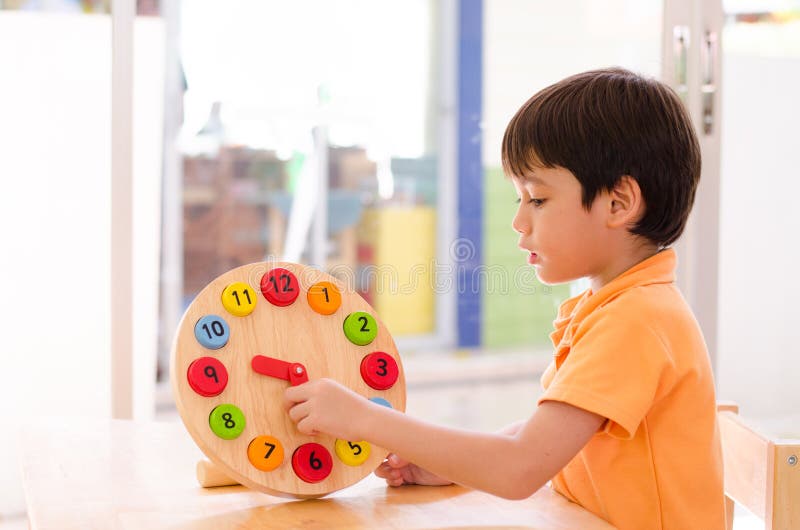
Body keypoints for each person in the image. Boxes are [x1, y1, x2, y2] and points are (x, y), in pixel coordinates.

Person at [284, 67, 726, 530]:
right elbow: (551, 437)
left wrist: (364, 419)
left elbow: (520, 467)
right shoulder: (621, 305)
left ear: (618, 203)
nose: (519, 221)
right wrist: (449, 463)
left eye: (535, 199)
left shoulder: (636, 321)